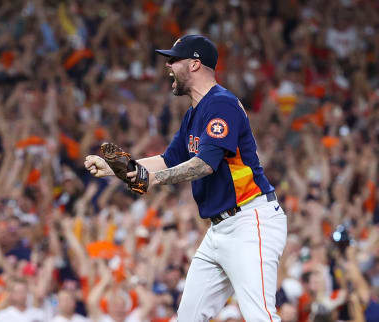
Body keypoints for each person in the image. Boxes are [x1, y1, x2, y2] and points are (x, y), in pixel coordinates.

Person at [84, 35, 287, 321]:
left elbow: (205, 164)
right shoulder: (194, 113)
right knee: (189, 317)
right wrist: (113, 166)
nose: (167, 65)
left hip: (250, 220)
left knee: (260, 316)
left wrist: (153, 180)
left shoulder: (222, 104)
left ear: (194, 64)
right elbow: (168, 159)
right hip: (219, 228)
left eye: (174, 59)